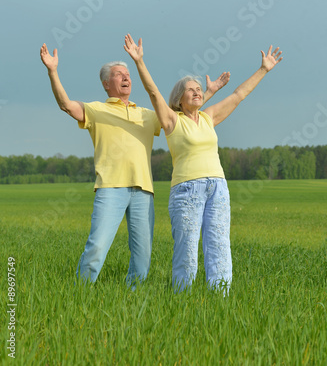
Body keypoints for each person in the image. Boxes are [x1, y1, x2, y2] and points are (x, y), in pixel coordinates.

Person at [40, 43, 228, 287]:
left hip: (143, 191)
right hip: (110, 188)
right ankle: (80, 293)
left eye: (127, 75)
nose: (126, 77)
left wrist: (208, 92)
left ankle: (131, 299)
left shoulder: (146, 115)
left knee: (142, 258)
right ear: (106, 83)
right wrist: (52, 71)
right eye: (119, 75)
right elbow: (66, 104)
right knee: (96, 247)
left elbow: (177, 113)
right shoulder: (96, 110)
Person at [124, 34, 283, 292]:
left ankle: (220, 299)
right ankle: (182, 297)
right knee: (187, 250)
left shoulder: (208, 117)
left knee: (219, 245)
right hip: (187, 190)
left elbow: (238, 95)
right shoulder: (172, 121)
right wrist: (140, 62)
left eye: (200, 89)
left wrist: (263, 70)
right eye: (191, 89)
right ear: (179, 98)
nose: (197, 92)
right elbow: (153, 92)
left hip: (218, 187)